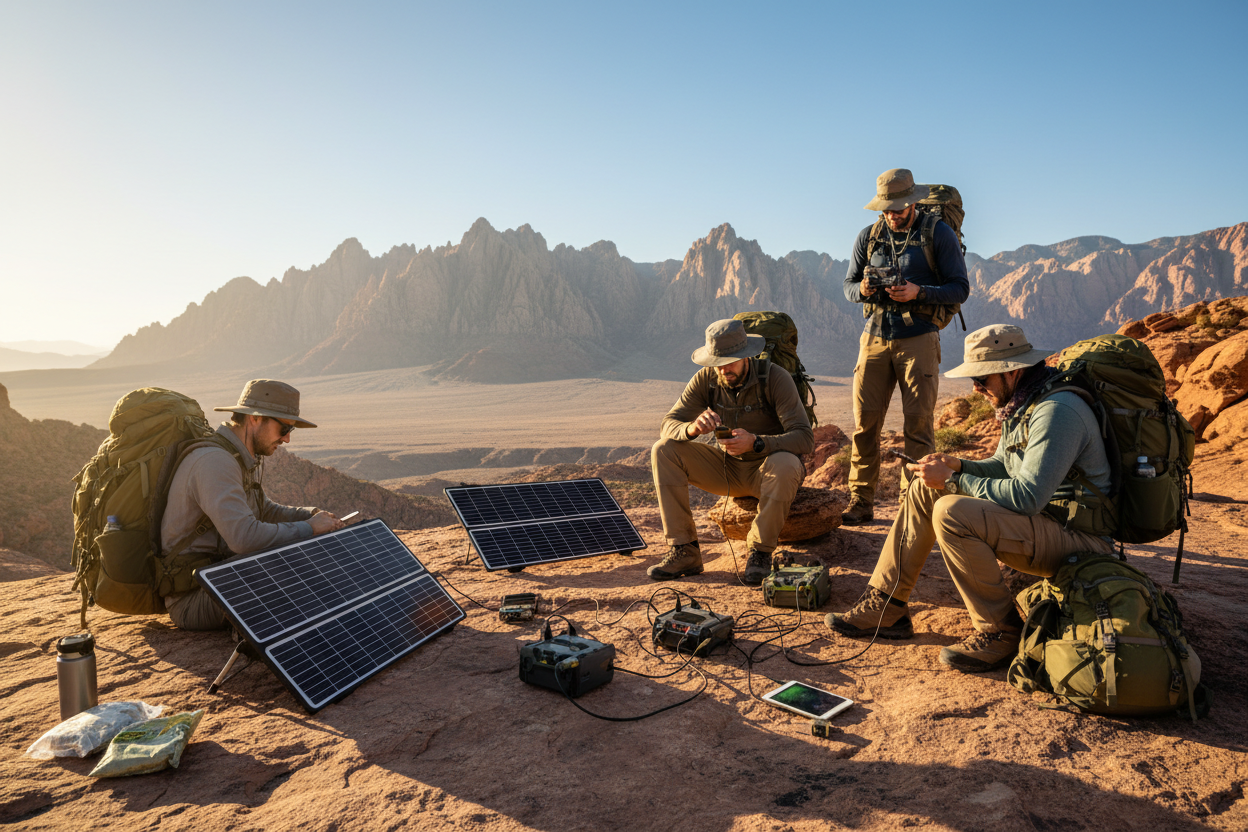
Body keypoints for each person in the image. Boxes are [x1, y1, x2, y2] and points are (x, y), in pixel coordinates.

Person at [826, 324, 1116, 671]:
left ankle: (1000, 631)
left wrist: (954, 480)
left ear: (1014, 371)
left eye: (983, 378)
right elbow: (1005, 465)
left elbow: (1026, 496)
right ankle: (887, 605)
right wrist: (959, 465)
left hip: (1079, 540)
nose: (976, 388)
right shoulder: (1025, 401)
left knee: (952, 510)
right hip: (1046, 524)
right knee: (924, 488)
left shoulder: (1057, 411)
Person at [160, 379, 345, 630]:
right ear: (255, 418)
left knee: (304, 562)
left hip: (222, 576)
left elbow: (266, 511)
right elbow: (243, 538)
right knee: (294, 572)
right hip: (195, 595)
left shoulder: (237, 457)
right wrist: (310, 528)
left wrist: (311, 515)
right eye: (284, 428)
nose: (288, 439)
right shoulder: (215, 462)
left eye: (292, 430)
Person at [841, 168, 970, 525]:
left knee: (918, 425)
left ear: (913, 201)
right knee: (865, 425)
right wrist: (864, 290)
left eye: (898, 208)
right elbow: (848, 286)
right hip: (875, 337)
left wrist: (919, 291)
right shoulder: (869, 236)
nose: (892, 215)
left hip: (919, 339)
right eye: (886, 209)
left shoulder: (938, 233)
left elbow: (960, 288)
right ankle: (860, 500)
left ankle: (912, 504)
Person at [649, 318, 814, 585]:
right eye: (718, 363)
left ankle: (759, 553)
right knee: (664, 450)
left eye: (731, 361)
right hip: (726, 469)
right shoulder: (705, 379)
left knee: (785, 463)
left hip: (767, 471)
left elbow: (805, 439)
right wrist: (691, 429)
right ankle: (684, 550)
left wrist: (758, 442)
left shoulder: (775, 378)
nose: (724, 369)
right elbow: (668, 424)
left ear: (747, 355)